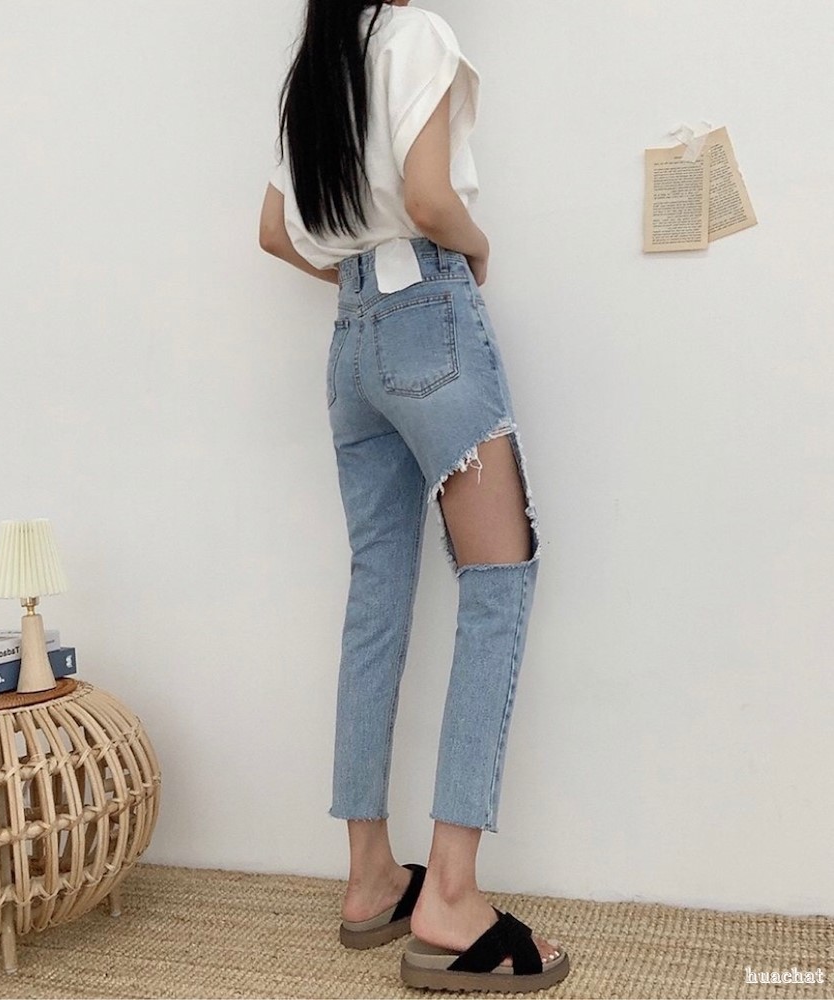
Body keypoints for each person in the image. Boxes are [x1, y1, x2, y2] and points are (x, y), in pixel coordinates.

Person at [259, 0, 570, 991]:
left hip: (351, 345)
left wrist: (367, 288)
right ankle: (451, 894)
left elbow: (273, 232)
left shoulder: (318, 61)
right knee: (497, 580)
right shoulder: (416, 35)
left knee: (377, 595)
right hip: (430, 319)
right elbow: (431, 199)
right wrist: (473, 251)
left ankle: (368, 877)